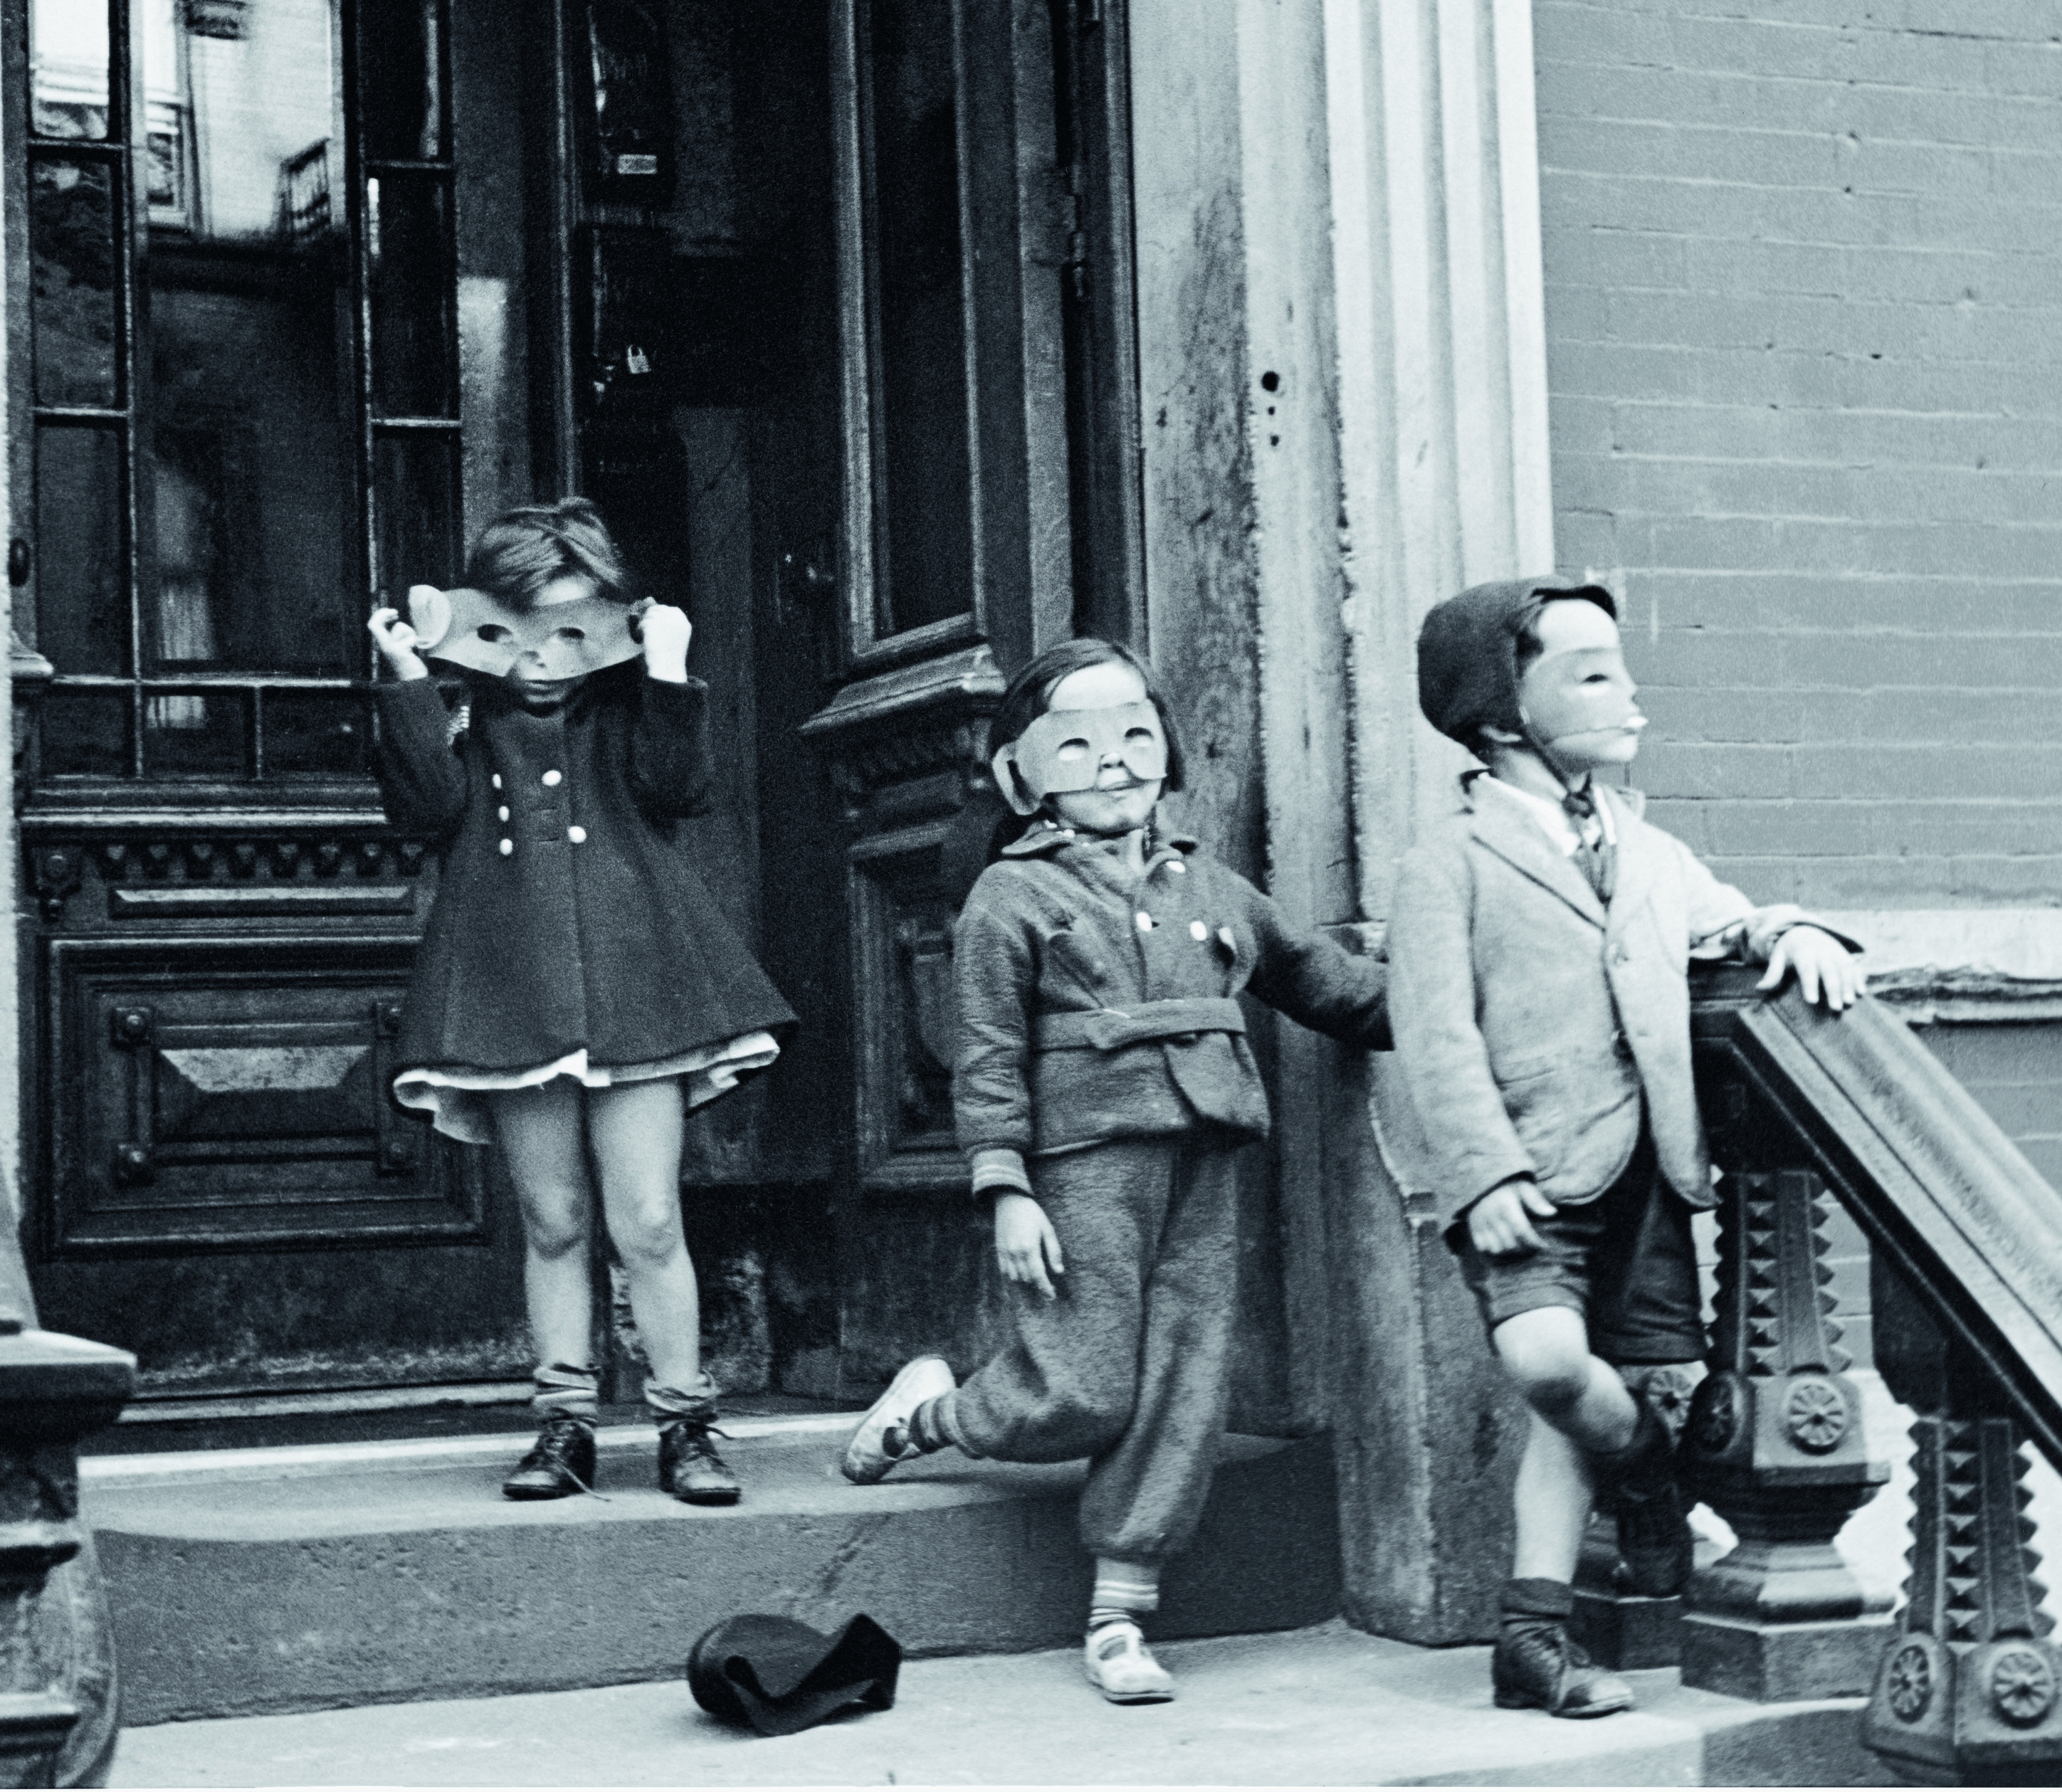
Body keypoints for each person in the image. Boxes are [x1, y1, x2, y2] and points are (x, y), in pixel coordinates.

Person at [838, 639, 1392, 1704]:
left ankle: (1121, 1614)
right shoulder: (1010, 897)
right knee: (1087, 1386)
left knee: (1183, 1384)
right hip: (1083, 1168)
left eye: (1135, 734)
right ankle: (932, 1414)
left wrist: (1460, 999)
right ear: (1020, 774)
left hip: (1206, 1157)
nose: (1113, 761)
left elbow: (1325, 984)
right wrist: (1005, 1186)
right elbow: (987, 1054)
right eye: (1077, 743)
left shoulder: (1211, 886)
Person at [1382, 577, 1864, 1718]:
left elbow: (1721, 918)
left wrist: (1786, 927)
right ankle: (1649, 1471)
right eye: (1592, 673)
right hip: (1528, 1178)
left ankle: (1532, 1642)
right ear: (1506, 717)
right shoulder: (1445, 862)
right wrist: (1484, 1174)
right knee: (1551, 1366)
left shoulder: (1648, 848)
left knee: (1594, 1390)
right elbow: (1434, 1034)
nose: (1629, 692)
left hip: (1648, 1172)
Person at [367, 499, 794, 1507]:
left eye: (570, 629)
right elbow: (425, 809)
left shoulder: (628, 705)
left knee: (647, 1218)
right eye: (518, 631)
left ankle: (685, 1422)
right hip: (510, 989)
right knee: (552, 1217)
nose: (544, 660)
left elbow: (679, 788)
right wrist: (408, 681)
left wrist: (667, 668)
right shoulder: (463, 708)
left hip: (637, 983)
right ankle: (563, 1425)